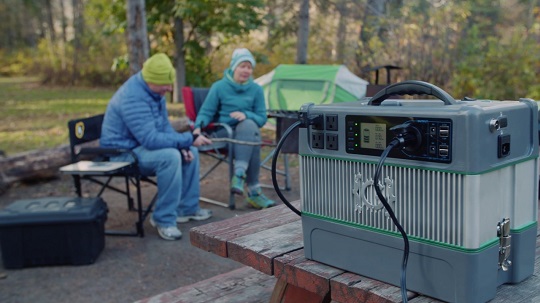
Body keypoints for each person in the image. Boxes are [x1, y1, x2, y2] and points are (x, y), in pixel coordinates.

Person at [100, 53, 212, 241]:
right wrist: (187, 139)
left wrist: (183, 144)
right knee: (170, 157)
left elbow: (164, 129)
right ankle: (163, 219)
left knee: (189, 151)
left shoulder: (154, 92)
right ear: (150, 80)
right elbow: (150, 139)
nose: (168, 89)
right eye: (165, 85)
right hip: (122, 153)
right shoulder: (133, 97)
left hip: (139, 147)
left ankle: (187, 208)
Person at [193, 48, 276, 209]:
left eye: (249, 67)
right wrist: (197, 128)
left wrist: (246, 115)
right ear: (234, 67)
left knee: (249, 126)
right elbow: (206, 112)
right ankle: (254, 192)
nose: (246, 70)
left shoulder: (256, 89)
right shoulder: (219, 87)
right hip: (225, 134)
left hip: (245, 135)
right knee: (253, 139)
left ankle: (239, 175)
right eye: (242, 66)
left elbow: (261, 117)